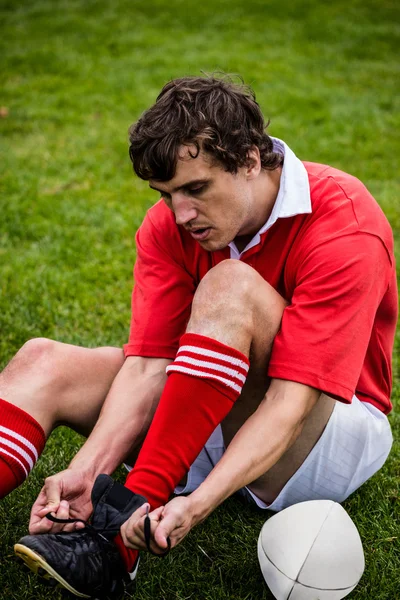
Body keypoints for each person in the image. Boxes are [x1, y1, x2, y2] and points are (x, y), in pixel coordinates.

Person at [2, 74, 397, 599]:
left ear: (252, 160)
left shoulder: (344, 220)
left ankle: (120, 542)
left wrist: (196, 504)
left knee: (229, 286)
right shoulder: (169, 225)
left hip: (319, 440)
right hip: (207, 398)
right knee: (41, 361)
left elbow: (290, 403)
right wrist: (87, 471)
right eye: (166, 194)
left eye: (196, 188)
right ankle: (118, 507)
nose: (180, 213)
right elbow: (148, 366)